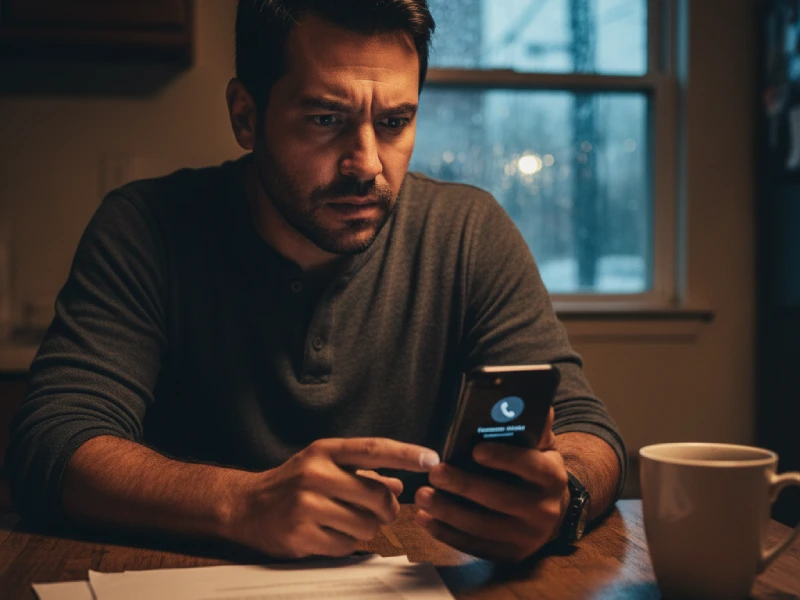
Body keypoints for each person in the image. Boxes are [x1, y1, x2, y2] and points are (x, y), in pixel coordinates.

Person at [6, 0, 626, 563]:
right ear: (246, 117)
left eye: (394, 123)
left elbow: (588, 434)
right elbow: (53, 442)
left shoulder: (469, 233)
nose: (366, 165)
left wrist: (559, 500)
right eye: (326, 119)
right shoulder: (145, 228)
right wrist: (241, 503)